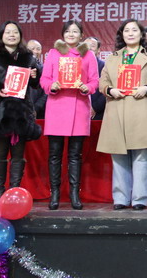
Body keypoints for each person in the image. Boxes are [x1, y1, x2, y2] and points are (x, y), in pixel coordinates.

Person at [96, 19, 147, 210]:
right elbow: (103, 82)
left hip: (141, 108)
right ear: (122, 35)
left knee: (141, 157)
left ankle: (139, 199)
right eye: (127, 30)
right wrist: (110, 90)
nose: (131, 33)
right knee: (118, 156)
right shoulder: (112, 58)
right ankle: (120, 198)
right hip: (117, 108)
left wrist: (146, 87)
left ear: (141, 35)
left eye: (135, 30)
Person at [0, 21, 42, 195]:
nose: (12, 35)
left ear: (20, 35)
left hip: (22, 111)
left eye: (15, 32)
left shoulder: (28, 57)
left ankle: (14, 190)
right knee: (0, 152)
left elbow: (36, 83)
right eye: (8, 32)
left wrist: (34, 75)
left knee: (18, 154)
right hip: (1, 111)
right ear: (1, 35)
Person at [41, 20, 99, 210]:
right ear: (63, 34)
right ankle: (55, 194)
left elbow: (94, 81)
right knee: (55, 155)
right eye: (67, 31)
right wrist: (51, 86)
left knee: (75, 155)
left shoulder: (88, 54)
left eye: (75, 31)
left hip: (79, 107)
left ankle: (74, 194)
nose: (71, 34)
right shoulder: (53, 53)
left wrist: (86, 87)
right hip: (56, 106)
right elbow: (44, 79)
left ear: (81, 35)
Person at [84, 37, 106, 120]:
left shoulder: (104, 66)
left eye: (92, 46)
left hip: (98, 112)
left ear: (98, 50)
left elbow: (106, 89)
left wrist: (95, 108)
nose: (89, 48)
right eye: (86, 45)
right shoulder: (76, 64)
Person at [27, 39, 47, 119]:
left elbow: (46, 92)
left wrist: (36, 108)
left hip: (40, 110)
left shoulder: (45, 69)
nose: (35, 51)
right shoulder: (19, 67)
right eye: (32, 49)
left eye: (38, 49)